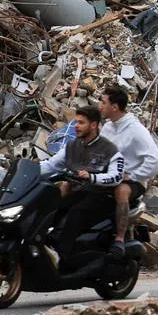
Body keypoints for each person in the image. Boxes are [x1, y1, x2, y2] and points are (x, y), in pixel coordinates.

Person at [39, 105, 125, 260]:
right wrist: (30, 169)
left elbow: (116, 176)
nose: (76, 126)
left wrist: (93, 177)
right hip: (81, 191)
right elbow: (52, 165)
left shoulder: (109, 149)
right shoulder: (72, 146)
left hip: (103, 195)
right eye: (75, 122)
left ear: (93, 125)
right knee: (51, 206)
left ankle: (63, 258)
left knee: (75, 213)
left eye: (81, 123)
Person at [99, 83, 158, 258]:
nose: (100, 106)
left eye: (104, 102)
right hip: (109, 176)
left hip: (132, 181)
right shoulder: (108, 127)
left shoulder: (136, 130)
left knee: (122, 191)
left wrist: (133, 175)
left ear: (115, 107)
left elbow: (155, 162)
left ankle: (119, 239)